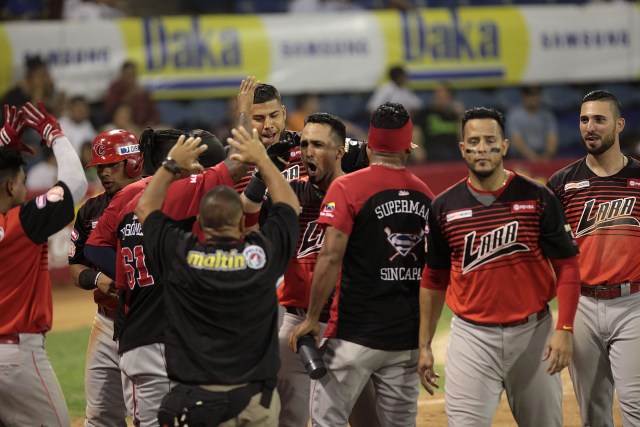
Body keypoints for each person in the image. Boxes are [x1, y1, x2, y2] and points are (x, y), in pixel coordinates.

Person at [419, 106, 580, 427]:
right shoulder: (443, 207)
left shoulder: (537, 197)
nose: (482, 148)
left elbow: (568, 266)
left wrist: (564, 329)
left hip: (534, 334)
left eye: (490, 140)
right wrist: (423, 344)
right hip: (471, 338)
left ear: (504, 146)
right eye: (473, 141)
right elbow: (433, 279)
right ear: (462, 148)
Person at [134, 127, 299, 427]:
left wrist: (171, 163)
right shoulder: (261, 254)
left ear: (199, 222)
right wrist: (262, 160)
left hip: (199, 402)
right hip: (254, 403)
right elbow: (290, 207)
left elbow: (145, 208)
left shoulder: (180, 254)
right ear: (240, 225)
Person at [85, 128, 248, 426]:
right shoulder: (187, 191)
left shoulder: (127, 196)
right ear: (176, 164)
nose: (199, 169)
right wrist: (244, 115)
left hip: (133, 326)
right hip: (164, 334)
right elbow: (239, 162)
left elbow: (94, 248)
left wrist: (125, 279)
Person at [289, 102, 434, 426]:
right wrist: (424, 342)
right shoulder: (426, 195)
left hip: (354, 334)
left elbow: (329, 257)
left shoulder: (347, 187)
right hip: (404, 340)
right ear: (408, 150)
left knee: (328, 420)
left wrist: (313, 318)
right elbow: (432, 275)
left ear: (368, 147)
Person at [243, 112, 379, 427]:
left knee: (368, 420)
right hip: (295, 323)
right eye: (304, 144)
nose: (307, 151)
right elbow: (246, 216)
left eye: (318, 144)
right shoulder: (289, 191)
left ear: (340, 151)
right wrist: (266, 168)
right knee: (287, 418)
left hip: (349, 325)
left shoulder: (363, 194)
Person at [547, 90, 640, 426]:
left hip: (634, 305)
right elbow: (548, 253)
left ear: (619, 124)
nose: (590, 126)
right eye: (584, 119)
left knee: (635, 404)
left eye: (599, 119)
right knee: (592, 411)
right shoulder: (561, 184)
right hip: (581, 306)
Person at [0, 101, 88, 426]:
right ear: (11, 186)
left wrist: (2, 143)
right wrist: (54, 133)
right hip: (15, 357)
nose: (25, 188)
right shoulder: (21, 222)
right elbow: (75, 186)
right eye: (21, 182)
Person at [68, 129, 142, 426]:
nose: (104, 172)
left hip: (145, 323)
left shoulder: (159, 199)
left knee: (147, 414)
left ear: (134, 162)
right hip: (105, 320)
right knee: (99, 415)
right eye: (100, 166)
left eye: (111, 165)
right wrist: (95, 277)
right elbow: (75, 268)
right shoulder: (90, 209)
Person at [505, 85, 559, 161]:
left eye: (535, 95)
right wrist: (533, 157)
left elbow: (552, 137)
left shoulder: (547, 114)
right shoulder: (514, 115)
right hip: (520, 157)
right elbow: (516, 141)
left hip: (543, 155)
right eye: (529, 95)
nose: (533, 98)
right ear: (523, 97)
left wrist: (547, 155)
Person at [413, 83, 464, 162]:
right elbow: (416, 132)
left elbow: (463, 139)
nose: (439, 100)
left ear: (451, 98)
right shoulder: (425, 113)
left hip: (454, 154)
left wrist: (460, 116)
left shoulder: (456, 116)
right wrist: (417, 149)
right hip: (432, 152)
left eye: (443, 97)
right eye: (437, 96)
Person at [104, 61, 160, 129]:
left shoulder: (143, 92)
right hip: (122, 127)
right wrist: (127, 97)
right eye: (127, 75)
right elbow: (109, 111)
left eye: (133, 75)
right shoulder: (115, 89)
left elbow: (154, 114)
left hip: (144, 128)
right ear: (122, 75)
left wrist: (149, 125)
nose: (130, 78)